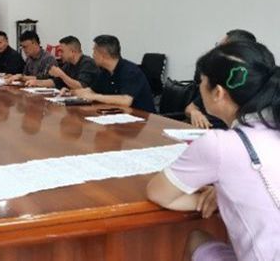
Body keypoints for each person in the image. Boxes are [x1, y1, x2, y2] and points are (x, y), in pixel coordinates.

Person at [147, 41, 280, 261]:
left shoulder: (219, 144)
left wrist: (223, 199)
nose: (199, 87)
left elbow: (158, 194)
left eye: (201, 82)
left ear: (218, 92)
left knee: (196, 238)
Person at [185, 29, 257, 129]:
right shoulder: (217, 79)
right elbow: (191, 107)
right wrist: (195, 113)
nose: (214, 52)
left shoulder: (250, 88)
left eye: (219, 47)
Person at [72, 35, 155, 112]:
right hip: (118, 114)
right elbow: (92, 90)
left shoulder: (131, 71)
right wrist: (72, 93)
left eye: (94, 52)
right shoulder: (105, 71)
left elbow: (126, 101)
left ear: (103, 55)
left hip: (143, 117)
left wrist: (94, 96)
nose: (93, 55)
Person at [26, 36, 99, 89]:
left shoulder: (87, 63)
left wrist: (61, 74)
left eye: (62, 51)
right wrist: (37, 82)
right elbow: (56, 82)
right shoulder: (68, 64)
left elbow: (81, 86)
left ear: (72, 52)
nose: (59, 54)